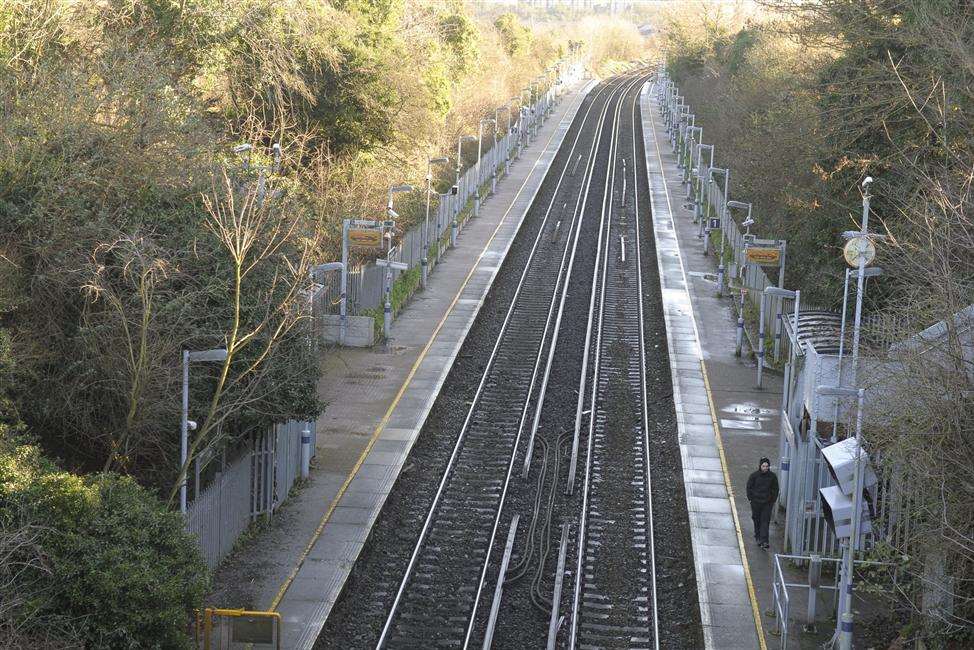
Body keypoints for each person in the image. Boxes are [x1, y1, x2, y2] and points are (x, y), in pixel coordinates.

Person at [746, 457, 778, 549]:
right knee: (757, 520)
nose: (765, 468)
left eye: (767, 466)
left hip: (767, 503)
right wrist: (750, 498)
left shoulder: (772, 477)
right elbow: (749, 487)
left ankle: (764, 540)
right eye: (763, 466)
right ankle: (758, 537)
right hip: (756, 502)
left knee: (765, 521)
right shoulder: (754, 476)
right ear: (760, 466)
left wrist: (772, 500)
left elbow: (775, 489)